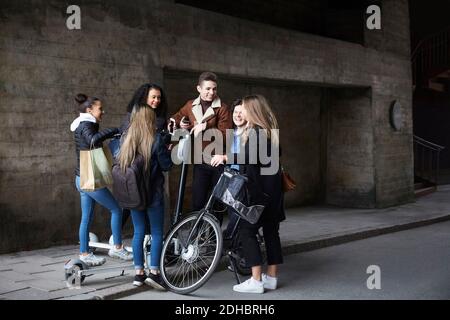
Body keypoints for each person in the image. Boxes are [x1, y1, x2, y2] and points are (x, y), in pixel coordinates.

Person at [211, 95, 285, 294]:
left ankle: (256, 280)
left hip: (260, 193)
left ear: (252, 111)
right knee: (271, 233)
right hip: (273, 192)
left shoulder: (256, 133)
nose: (241, 112)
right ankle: (272, 278)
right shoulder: (268, 131)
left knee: (246, 231)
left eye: (244, 109)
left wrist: (225, 156)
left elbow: (248, 157)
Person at [70, 94, 133, 266]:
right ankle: (118, 248)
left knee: (86, 217)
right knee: (116, 210)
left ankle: (84, 253)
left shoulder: (82, 124)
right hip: (89, 179)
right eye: (100, 108)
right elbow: (93, 140)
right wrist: (114, 130)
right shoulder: (86, 124)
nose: (103, 111)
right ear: (89, 110)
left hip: (81, 178)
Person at [116, 104, 172, 289]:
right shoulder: (156, 139)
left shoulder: (127, 139)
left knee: (138, 232)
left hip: (134, 195)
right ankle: (154, 273)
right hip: (153, 195)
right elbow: (166, 166)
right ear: (150, 120)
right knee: (156, 233)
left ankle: (139, 274)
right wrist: (168, 149)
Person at [169, 72, 232, 215]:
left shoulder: (222, 108)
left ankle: (212, 236)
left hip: (218, 162)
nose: (212, 92)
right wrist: (182, 124)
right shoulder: (190, 105)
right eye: (208, 88)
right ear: (199, 88)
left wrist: (206, 126)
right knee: (197, 200)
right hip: (200, 161)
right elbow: (175, 119)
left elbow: (225, 136)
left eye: (214, 89)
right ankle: (198, 235)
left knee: (216, 201)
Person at [223, 99, 246, 239]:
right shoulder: (232, 132)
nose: (237, 115)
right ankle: (235, 242)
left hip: (243, 177)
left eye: (241, 113)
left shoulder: (250, 133)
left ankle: (230, 240)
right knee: (232, 210)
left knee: (238, 213)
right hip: (231, 175)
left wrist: (226, 157)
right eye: (235, 112)